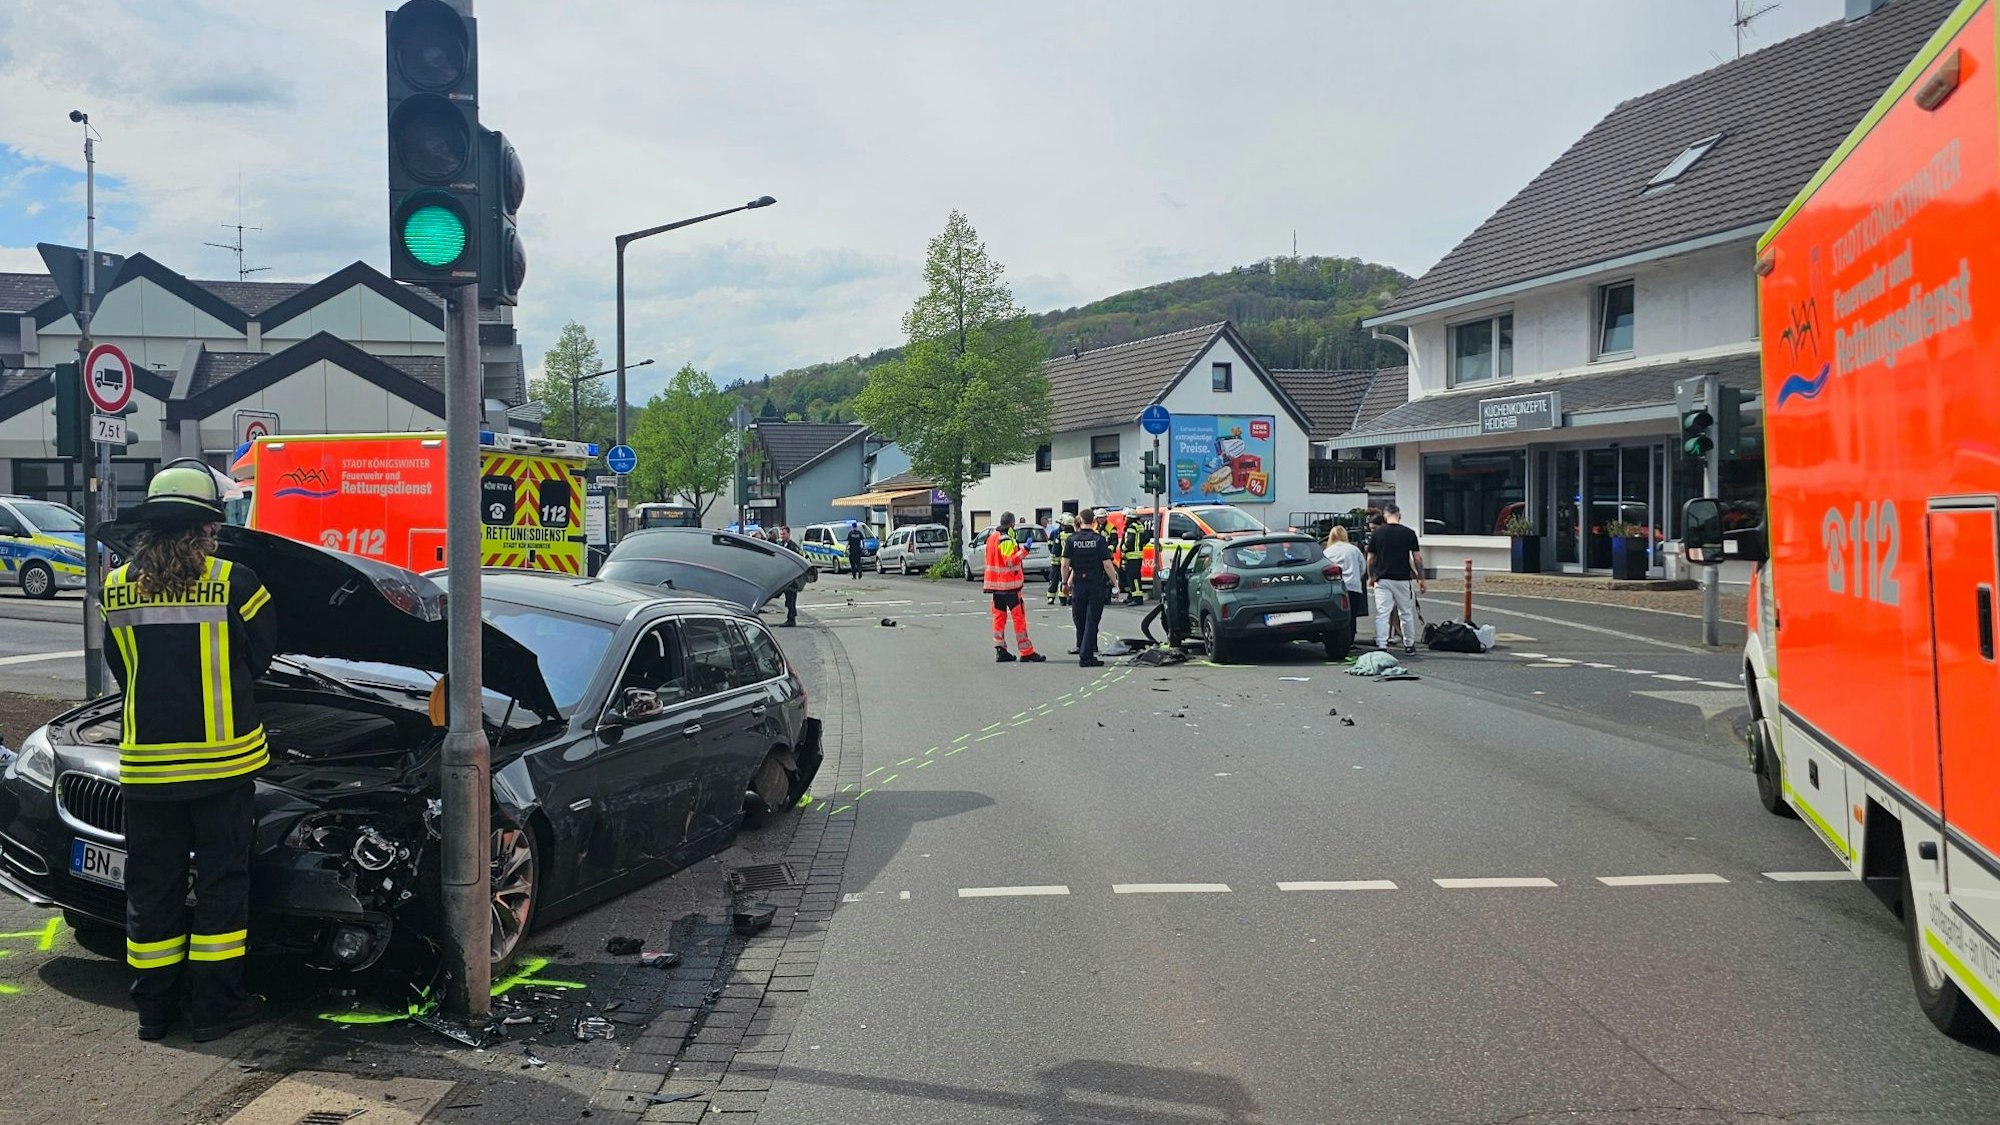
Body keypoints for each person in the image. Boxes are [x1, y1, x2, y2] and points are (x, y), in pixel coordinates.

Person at [103, 460, 276, 1043]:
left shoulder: (115, 585)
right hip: (223, 768)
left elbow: (121, 668)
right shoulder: (238, 582)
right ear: (207, 526)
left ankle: (155, 1010)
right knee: (222, 885)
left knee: (151, 887)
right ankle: (215, 1008)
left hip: (148, 768)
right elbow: (260, 660)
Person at [982, 512, 1045, 663]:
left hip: (995, 586)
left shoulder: (992, 537)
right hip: (1009, 586)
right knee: (1018, 618)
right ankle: (1026, 651)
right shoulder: (1006, 539)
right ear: (1011, 524)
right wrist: (1025, 550)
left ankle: (1000, 649)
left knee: (999, 617)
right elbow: (1010, 561)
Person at [1060, 508, 1119, 667]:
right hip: (1095, 585)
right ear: (1093, 521)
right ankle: (1086, 655)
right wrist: (1116, 583)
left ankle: (1084, 647)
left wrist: (1065, 584)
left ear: (1080, 521)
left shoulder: (1072, 540)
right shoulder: (1099, 540)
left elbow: (1065, 564)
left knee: (1079, 618)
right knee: (1092, 620)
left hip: (1078, 585)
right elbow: (1107, 565)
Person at [1366, 504, 1425, 655]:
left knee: (1382, 613)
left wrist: (1371, 576)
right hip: (1402, 578)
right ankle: (1409, 644)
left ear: (1385, 516)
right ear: (1399, 515)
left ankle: (1382, 644)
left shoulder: (1377, 534)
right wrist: (1421, 578)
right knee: (1405, 612)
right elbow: (1417, 558)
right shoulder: (1409, 533)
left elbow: (1370, 558)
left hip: (1382, 578)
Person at [1322, 525, 1367, 610]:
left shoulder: (1327, 552)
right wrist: (1357, 576)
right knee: (1352, 616)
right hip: (1353, 586)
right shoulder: (1354, 550)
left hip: (1336, 588)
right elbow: (1362, 567)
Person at [1119, 512, 1151, 604]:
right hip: (1137, 555)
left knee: (1133, 577)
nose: (1125, 519)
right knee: (1131, 577)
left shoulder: (1131, 527)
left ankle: (1137, 598)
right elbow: (1146, 537)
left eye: (1126, 518)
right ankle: (1132, 596)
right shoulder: (1139, 525)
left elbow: (1129, 541)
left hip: (1131, 556)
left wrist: (1123, 549)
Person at [776, 525, 803, 627]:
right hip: (785, 577)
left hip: (792, 578)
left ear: (789, 534)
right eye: (781, 534)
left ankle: (791, 619)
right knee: (788, 598)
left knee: (791, 598)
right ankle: (791, 616)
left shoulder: (792, 546)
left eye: (784, 534)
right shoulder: (782, 545)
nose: (782, 536)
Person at [1047, 512, 1075, 605]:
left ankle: (1066, 597)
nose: (1067, 528)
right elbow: (1052, 547)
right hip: (1056, 562)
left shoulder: (1072, 534)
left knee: (1067, 580)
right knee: (1054, 580)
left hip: (1067, 562)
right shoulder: (1055, 533)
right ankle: (1051, 597)